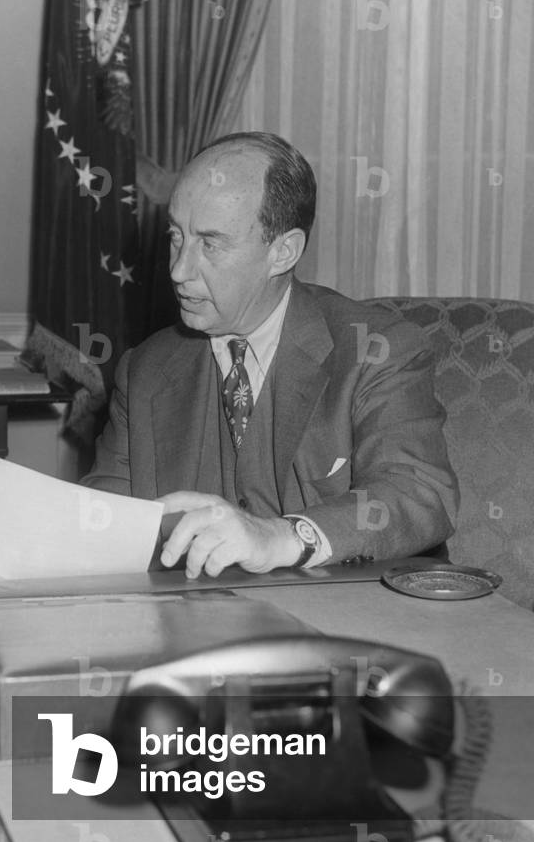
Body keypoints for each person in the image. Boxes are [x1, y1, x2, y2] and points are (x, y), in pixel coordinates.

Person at [83, 131, 458, 577]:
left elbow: (418, 492)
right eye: (176, 236)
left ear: (283, 252)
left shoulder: (376, 351)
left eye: (211, 243)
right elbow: (101, 525)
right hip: (197, 632)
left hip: (351, 630)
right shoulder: (145, 369)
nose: (178, 270)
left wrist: (281, 536)